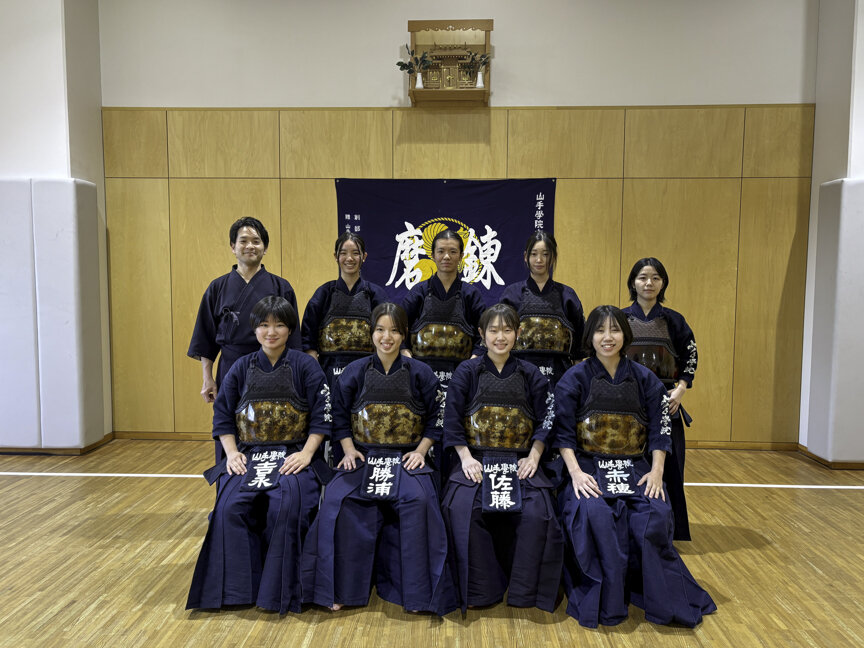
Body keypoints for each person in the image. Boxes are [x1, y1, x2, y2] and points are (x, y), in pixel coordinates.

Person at [553, 305, 715, 628]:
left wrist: (656, 472)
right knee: (594, 514)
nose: (608, 337)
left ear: (625, 336)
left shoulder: (645, 379)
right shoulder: (574, 378)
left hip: (636, 468)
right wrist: (574, 473)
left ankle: (659, 598)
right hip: (588, 466)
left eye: (614, 330)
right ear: (590, 337)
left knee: (654, 514)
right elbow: (562, 432)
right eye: (600, 331)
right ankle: (606, 599)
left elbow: (660, 429)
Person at [301, 303, 457, 615]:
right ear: (371, 333)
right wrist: (347, 449)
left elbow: (437, 419)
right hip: (364, 457)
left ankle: (418, 593)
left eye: (394, 330)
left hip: (406, 458)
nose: (387, 337)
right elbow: (339, 417)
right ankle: (339, 588)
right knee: (338, 501)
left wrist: (421, 451)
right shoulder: (353, 373)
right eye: (380, 330)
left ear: (404, 335)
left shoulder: (421, 373)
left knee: (419, 501)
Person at [186, 296, 330, 614]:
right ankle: (238, 590)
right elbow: (223, 416)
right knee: (227, 508)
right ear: (255, 330)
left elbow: (322, 416)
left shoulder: (306, 366)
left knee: (288, 505)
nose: (271, 331)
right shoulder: (241, 367)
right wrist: (232, 453)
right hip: (250, 454)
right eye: (264, 324)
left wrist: (307, 454)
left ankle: (278, 592)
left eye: (278, 324)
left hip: (293, 453)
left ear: (289, 328)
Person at [441, 303, 563, 613]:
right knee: (462, 510)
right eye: (493, 330)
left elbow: (547, 419)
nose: (500, 336)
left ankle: (526, 591)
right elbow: (453, 419)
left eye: (507, 330)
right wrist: (466, 458)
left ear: (518, 333)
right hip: (477, 460)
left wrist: (535, 456)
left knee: (539, 513)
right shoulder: (467, 372)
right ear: (481, 334)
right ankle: (482, 589)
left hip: (521, 460)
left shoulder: (530, 374)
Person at [622, 258, 697, 541]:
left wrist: (680, 389)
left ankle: (671, 531)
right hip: (628, 403)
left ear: (663, 283)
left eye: (655, 278)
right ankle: (633, 525)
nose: (649, 283)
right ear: (633, 282)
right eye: (643, 277)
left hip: (666, 401)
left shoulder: (674, 320)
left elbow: (691, 357)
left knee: (670, 469)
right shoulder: (621, 318)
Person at [188, 217, 300, 405]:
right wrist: (207, 378)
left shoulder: (281, 287)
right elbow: (204, 338)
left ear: (265, 248)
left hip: (273, 367)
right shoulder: (217, 287)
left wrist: (296, 376)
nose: (250, 246)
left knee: (272, 424)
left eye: (256, 241)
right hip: (230, 367)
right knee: (230, 423)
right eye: (243, 241)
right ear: (233, 246)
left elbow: (294, 337)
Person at [401, 228, 486, 389]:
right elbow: (397, 326)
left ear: (461, 256)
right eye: (441, 251)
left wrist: (475, 358)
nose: (446, 256)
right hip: (421, 374)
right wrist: (404, 351)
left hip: (462, 375)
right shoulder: (419, 293)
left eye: (453, 252)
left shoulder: (471, 295)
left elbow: (486, 332)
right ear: (432, 255)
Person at [300, 232, 388, 387]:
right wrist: (316, 373)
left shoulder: (375, 294)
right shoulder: (324, 293)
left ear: (364, 256)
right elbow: (308, 337)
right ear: (336, 256)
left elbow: (387, 333)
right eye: (343, 253)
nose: (349, 259)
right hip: (329, 370)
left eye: (355, 253)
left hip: (368, 369)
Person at [501, 230, 585, 388]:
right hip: (519, 372)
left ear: (553, 257)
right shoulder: (512, 294)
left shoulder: (567, 295)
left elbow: (579, 342)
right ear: (526, 256)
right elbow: (501, 335)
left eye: (545, 254)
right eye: (534, 254)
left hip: (559, 374)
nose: (539, 260)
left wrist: (576, 378)